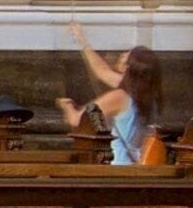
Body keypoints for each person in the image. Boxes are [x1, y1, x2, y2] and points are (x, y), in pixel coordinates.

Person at [58, 23, 165, 165]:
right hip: (137, 165)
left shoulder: (120, 97)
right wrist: (81, 40)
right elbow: (102, 70)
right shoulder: (150, 94)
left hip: (118, 165)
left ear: (129, 69)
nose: (120, 56)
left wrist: (67, 105)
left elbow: (78, 121)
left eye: (125, 58)